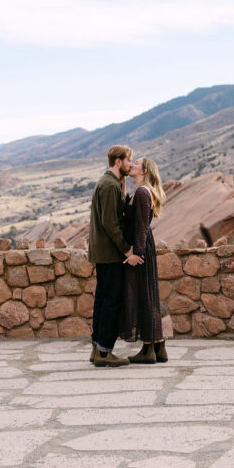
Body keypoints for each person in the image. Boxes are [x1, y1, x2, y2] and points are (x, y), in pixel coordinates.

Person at [88, 145, 142, 366]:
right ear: (118, 162)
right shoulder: (109, 185)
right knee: (112, 301)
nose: (131, 164)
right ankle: (104, 352)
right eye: (129, 160)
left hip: (102, 253)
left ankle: (96, 348)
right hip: (110, 254)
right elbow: (110, 223)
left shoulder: (110, 182)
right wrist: (127, 249)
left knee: (102, 300)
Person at [119, 156, 168, 364]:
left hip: (141, 249)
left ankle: (148, 349)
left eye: (137, 163)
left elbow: (141, 226)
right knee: (149, 295)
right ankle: (159, 346)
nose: (132, 165)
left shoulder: (142, 192)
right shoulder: (141, 191)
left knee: (144, 296)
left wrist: (136, 254)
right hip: (144, 246)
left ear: (145, 171)